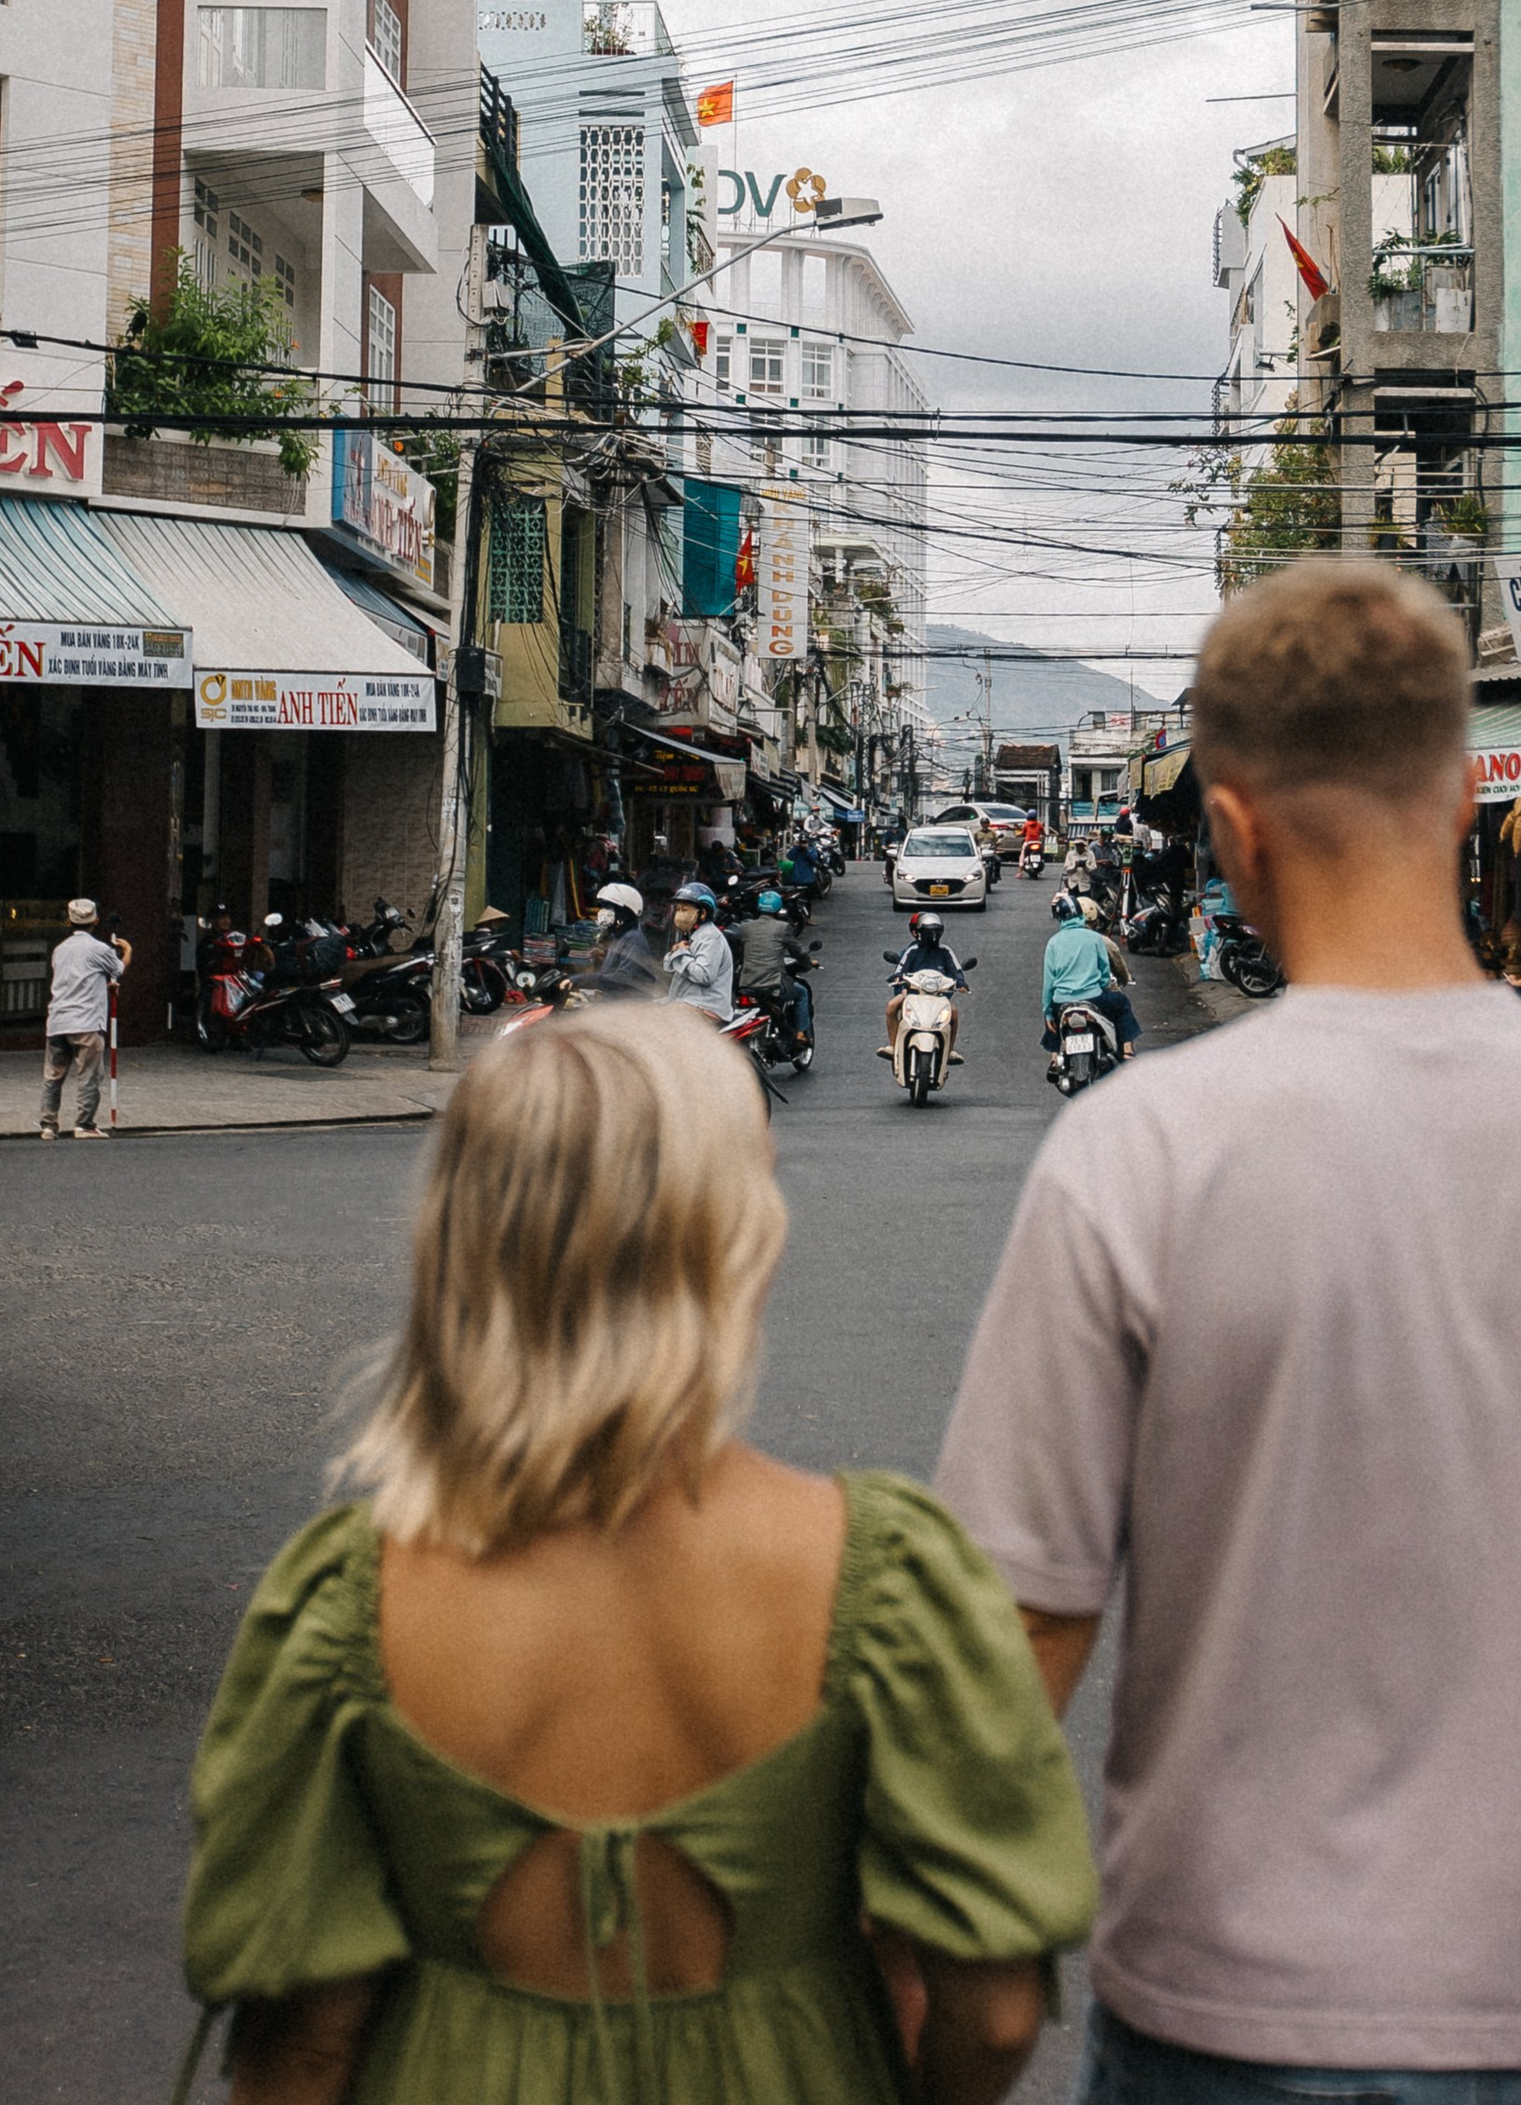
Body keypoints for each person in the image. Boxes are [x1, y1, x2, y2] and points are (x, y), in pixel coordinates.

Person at [937, 557, 1521, 2105]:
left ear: (1234, 829)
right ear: (1462, 801)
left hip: (1219, 2023)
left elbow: (1017, 1631)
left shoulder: (1140, 1151)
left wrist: (954, 1988)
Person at [179, 1004, 1096, 2104]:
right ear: (732, 1238)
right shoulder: (885, 1576)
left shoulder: (346, 1598)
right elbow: (993, 2013)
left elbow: (303, 2045)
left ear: (463, 1234)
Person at [40, 895, 131, 1140]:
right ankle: (85, 1124)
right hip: (87, 1021)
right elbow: (119, 969)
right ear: (96, 921)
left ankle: (48, 1125)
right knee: (89, 1075)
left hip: (58, 1020)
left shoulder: (60, 950)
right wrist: (127, 950)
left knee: (53, 1076)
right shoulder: (99, 949)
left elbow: (75, 979)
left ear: (69, 922)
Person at [1041, 898, 1139, 1067]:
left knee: (1053, 1020)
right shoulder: (1095, 938)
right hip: (1093, 997)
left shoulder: (1053, 943)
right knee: (1122, 1003)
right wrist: (1103, 987)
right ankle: (1127, 1051)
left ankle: (1054, 1059)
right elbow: (1104, 971)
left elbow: (1049, 983)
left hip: (1062, 1001)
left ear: (1060, 918)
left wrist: (1047, 1012)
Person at [733, 891, 815, 1050]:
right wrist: (808, 963)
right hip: (773, 984)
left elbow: (740, 951)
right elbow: (798, 952)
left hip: (746, 984)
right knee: (802, 993)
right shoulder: (782, 928)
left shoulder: (745, 928)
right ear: (778, 910)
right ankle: (800, 1034)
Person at [883, 914, 968, 1063]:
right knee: (891, 1007)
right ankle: (894, 1046)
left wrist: (961, 983)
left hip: (938, 996)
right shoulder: (912, 950)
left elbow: (956, 970)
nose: (932, 936)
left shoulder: (946, 951)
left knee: (953, 1013)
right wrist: (897, 977)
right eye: (929, 932)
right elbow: (901, 967)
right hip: (912, 994)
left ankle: (949, 1050)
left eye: (936, 932)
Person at [663, 881, 736, 1018]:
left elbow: (704, 976)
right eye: (678, 909)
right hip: (689, 1003)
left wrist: (682, 954)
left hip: (707, 1006)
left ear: (702, 913)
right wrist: (674, 952)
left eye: (684, 910)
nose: (679, 914)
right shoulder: (694, 935)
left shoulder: (711, 937)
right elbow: (668, 968)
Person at [585, 881, 665, 1003]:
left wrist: (581, 980)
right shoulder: (620, 937)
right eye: (604, 907)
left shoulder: (634, 939)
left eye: (609, 908)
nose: (603, 912)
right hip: (615, 1005)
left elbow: (622, 979)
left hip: (629, 1008)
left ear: (624, 913)